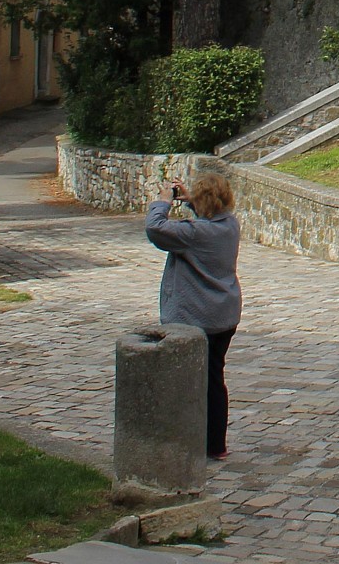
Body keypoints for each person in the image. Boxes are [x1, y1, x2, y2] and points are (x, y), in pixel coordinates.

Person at [146, 170, 242, 461]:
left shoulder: (194, 234)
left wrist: (163, 202)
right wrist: (191, 200)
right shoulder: (230, 225)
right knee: (214, 378)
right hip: (223, 315)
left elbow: (156, 228)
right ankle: (215, 444)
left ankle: (183, 439)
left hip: (195, 318)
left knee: (186, 380)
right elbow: (210, 216)